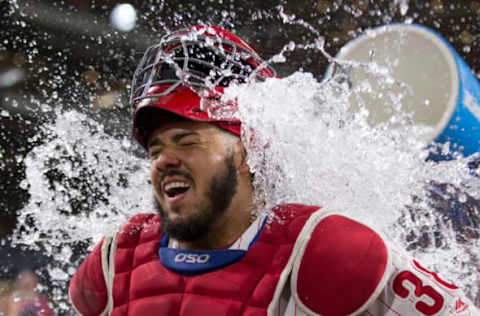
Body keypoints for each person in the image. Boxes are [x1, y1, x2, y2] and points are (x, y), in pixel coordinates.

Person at [69, 25, 477, 315]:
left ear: (246, 153)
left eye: (187, 140)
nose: (164, 159)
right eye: (155, 148)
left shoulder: (327, 251)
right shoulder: (114, 262)